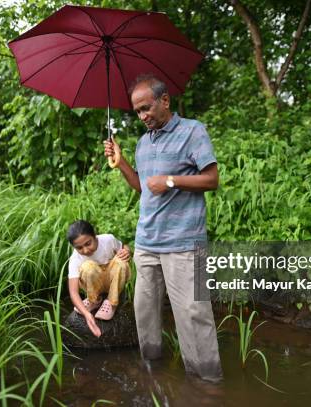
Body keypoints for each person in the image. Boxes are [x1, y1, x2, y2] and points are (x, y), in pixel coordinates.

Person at [103, 74, 223, 381]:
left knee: (193, 315)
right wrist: (122, 163)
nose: (142, 116)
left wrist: (171, 180)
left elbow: (212, 179)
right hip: (147, 244)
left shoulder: (192, 131)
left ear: (164, 101)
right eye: (137, 111)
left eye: (146, 108)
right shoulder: (144, 143)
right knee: (145, 313)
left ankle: (207, 383)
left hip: (183, 243)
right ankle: (152, 373)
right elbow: (145, 189)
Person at [66, 220, 132, 337]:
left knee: (121, 262)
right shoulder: (75, 258)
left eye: (88, 243)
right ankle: (93, 300)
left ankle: (112, 303)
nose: (85, 250)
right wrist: (86, 314)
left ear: (95, 236)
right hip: (93, 283)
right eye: (79, 248)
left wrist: (126, 251)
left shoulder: (108, 240)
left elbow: (124, 246)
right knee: (87, 267)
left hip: (112, 279)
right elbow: (73, 292)